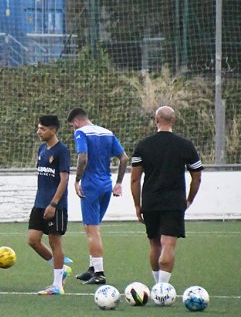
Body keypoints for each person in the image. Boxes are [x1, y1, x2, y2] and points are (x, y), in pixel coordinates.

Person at [130, 106, 203, 285]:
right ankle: (164, 287)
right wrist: (189, 199)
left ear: (156, 120)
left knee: (155, 244)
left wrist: (137, 205)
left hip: (150, 201)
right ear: (174, 120)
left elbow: (135, 180)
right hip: (174, 201)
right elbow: (197, 177)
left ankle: (157, 286)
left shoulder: (143, 145)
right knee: (168, 244)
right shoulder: (185, 145)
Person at [67, 108, 129, 285]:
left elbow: (83, 157)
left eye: (72, 126)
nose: (73, 129)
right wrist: (119, 183)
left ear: (77, 122)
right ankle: (92, 268)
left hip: (90, 186)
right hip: (105, 184)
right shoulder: (107, 133)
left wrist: (77, 180)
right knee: (90, 228)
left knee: (92, 230)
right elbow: (124, 158)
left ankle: (99, 273)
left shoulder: (81, 132)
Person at [26, 115, 71, 296]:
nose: (39, 131)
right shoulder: (42, 149)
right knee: (33, 240)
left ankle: (57, 285)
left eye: (42, 129)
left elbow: (64, 178)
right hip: (39, 203)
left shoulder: (62, 151)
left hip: (55, 205)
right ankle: (61, 269)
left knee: (54, 241)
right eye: (38, 128)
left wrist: (54, 203)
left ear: (53, 130)